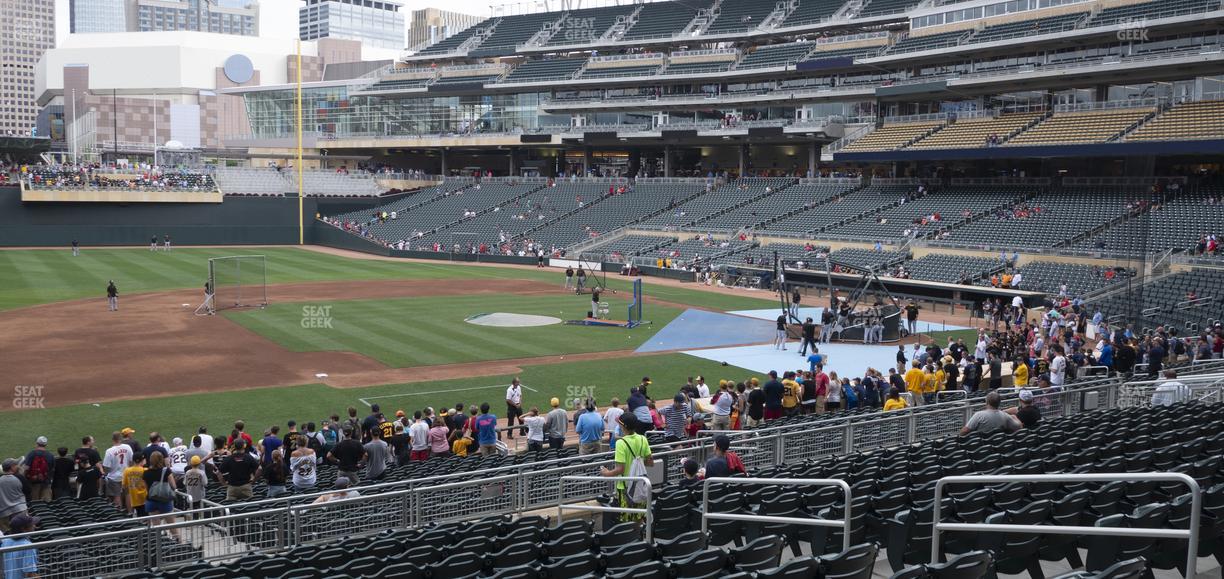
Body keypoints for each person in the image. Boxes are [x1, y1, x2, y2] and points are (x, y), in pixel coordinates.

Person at [600, 414, 653, 522]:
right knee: (639, 517)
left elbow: (620, 469)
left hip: (624, 488)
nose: (618, 425)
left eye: (619, 424)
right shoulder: (643, 439)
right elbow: (650, 462)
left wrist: (606, 473)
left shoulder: (621, 443)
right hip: (640, 485)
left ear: (624, 426)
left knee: (626, 520)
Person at [101, 432, 131, 509]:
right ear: (120, 438)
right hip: (126, 475)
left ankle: (120, 515)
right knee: (128, 494)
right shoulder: (127, 447)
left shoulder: (109, 451)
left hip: (114, 477)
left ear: (113, 440)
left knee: (117, 496)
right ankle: (131, 513)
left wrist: (107, 472)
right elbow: (131, 461)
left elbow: (106, 467)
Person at [23, 437, 54, 502]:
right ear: (46, 445)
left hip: (33, 483)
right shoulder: (50, 455)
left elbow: (26, 468)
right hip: (46, 482)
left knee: (35, 503)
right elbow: (52, 469)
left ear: (37, 443)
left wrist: (24, 478)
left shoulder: (31, 453)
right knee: (46, 503)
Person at [0, 460, 27, 533]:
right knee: (23, 532)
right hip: (20, 509)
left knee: (8, 535)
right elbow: (28, 491)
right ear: (11, 467)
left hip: (3, 512)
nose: (17, 466)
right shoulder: (19, 477)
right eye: (15, 465)